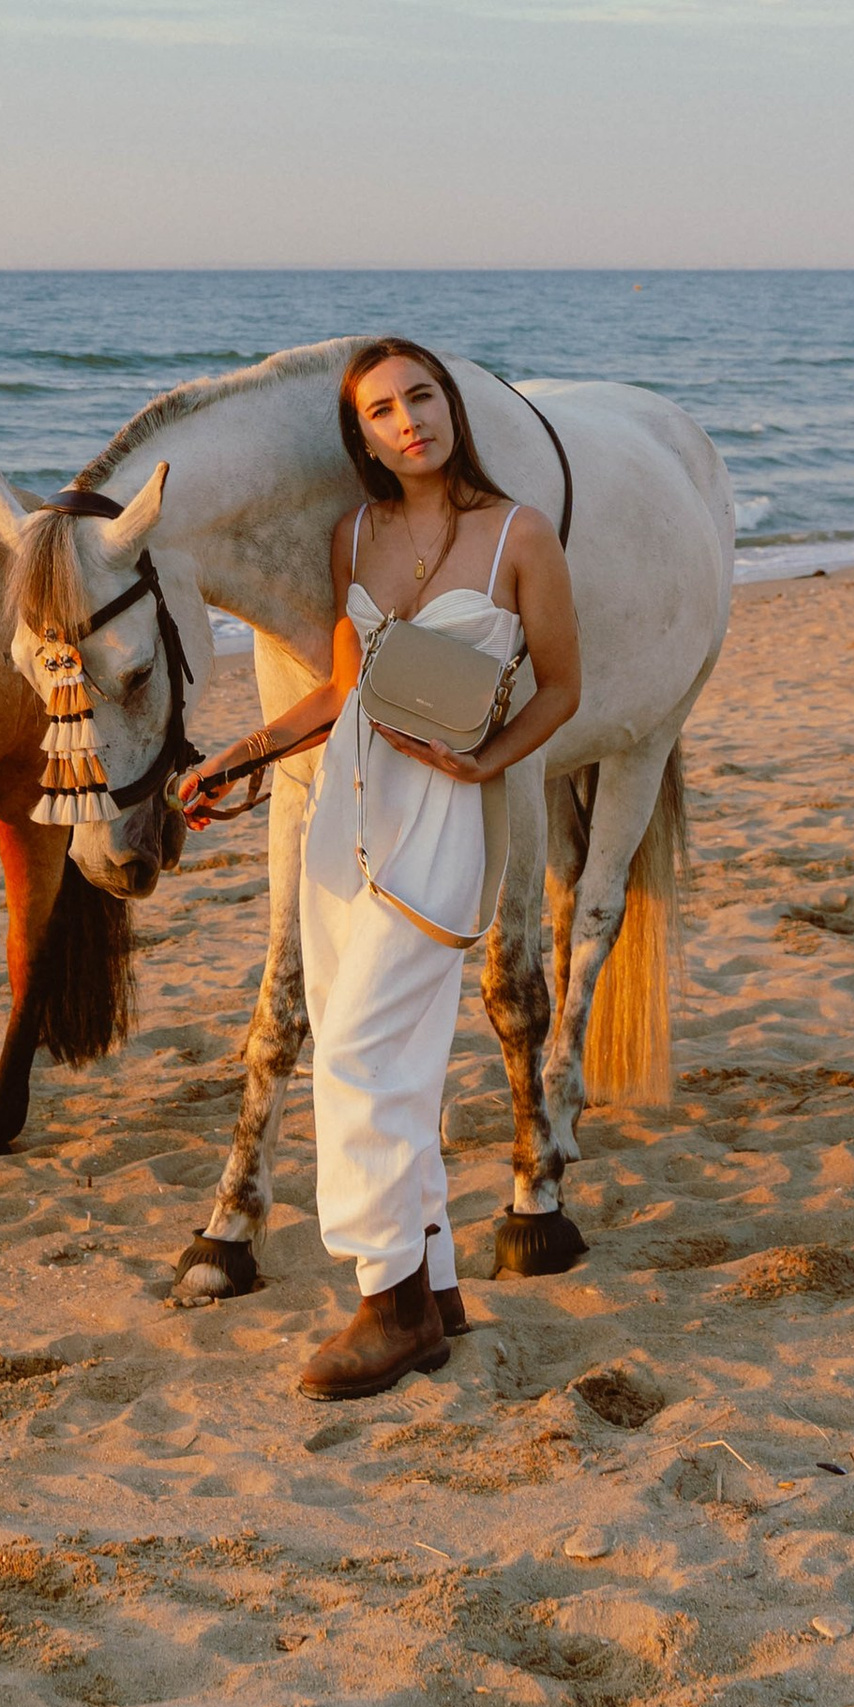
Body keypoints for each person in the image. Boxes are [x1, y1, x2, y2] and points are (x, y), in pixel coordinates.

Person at [178, 338, 580, 1397]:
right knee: (393, 1061)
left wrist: (484, 760)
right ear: (360, 438)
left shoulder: (518, 536)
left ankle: (384, 1300)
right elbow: (340, 692)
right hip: (342, 820)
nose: (408, 420)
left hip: (443, 820)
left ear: (451, 406)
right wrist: (236, 755)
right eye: (381, 411)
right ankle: (435, 1279)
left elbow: (562, 688)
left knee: (354, 1051)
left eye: (422, 396)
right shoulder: (353, 533)